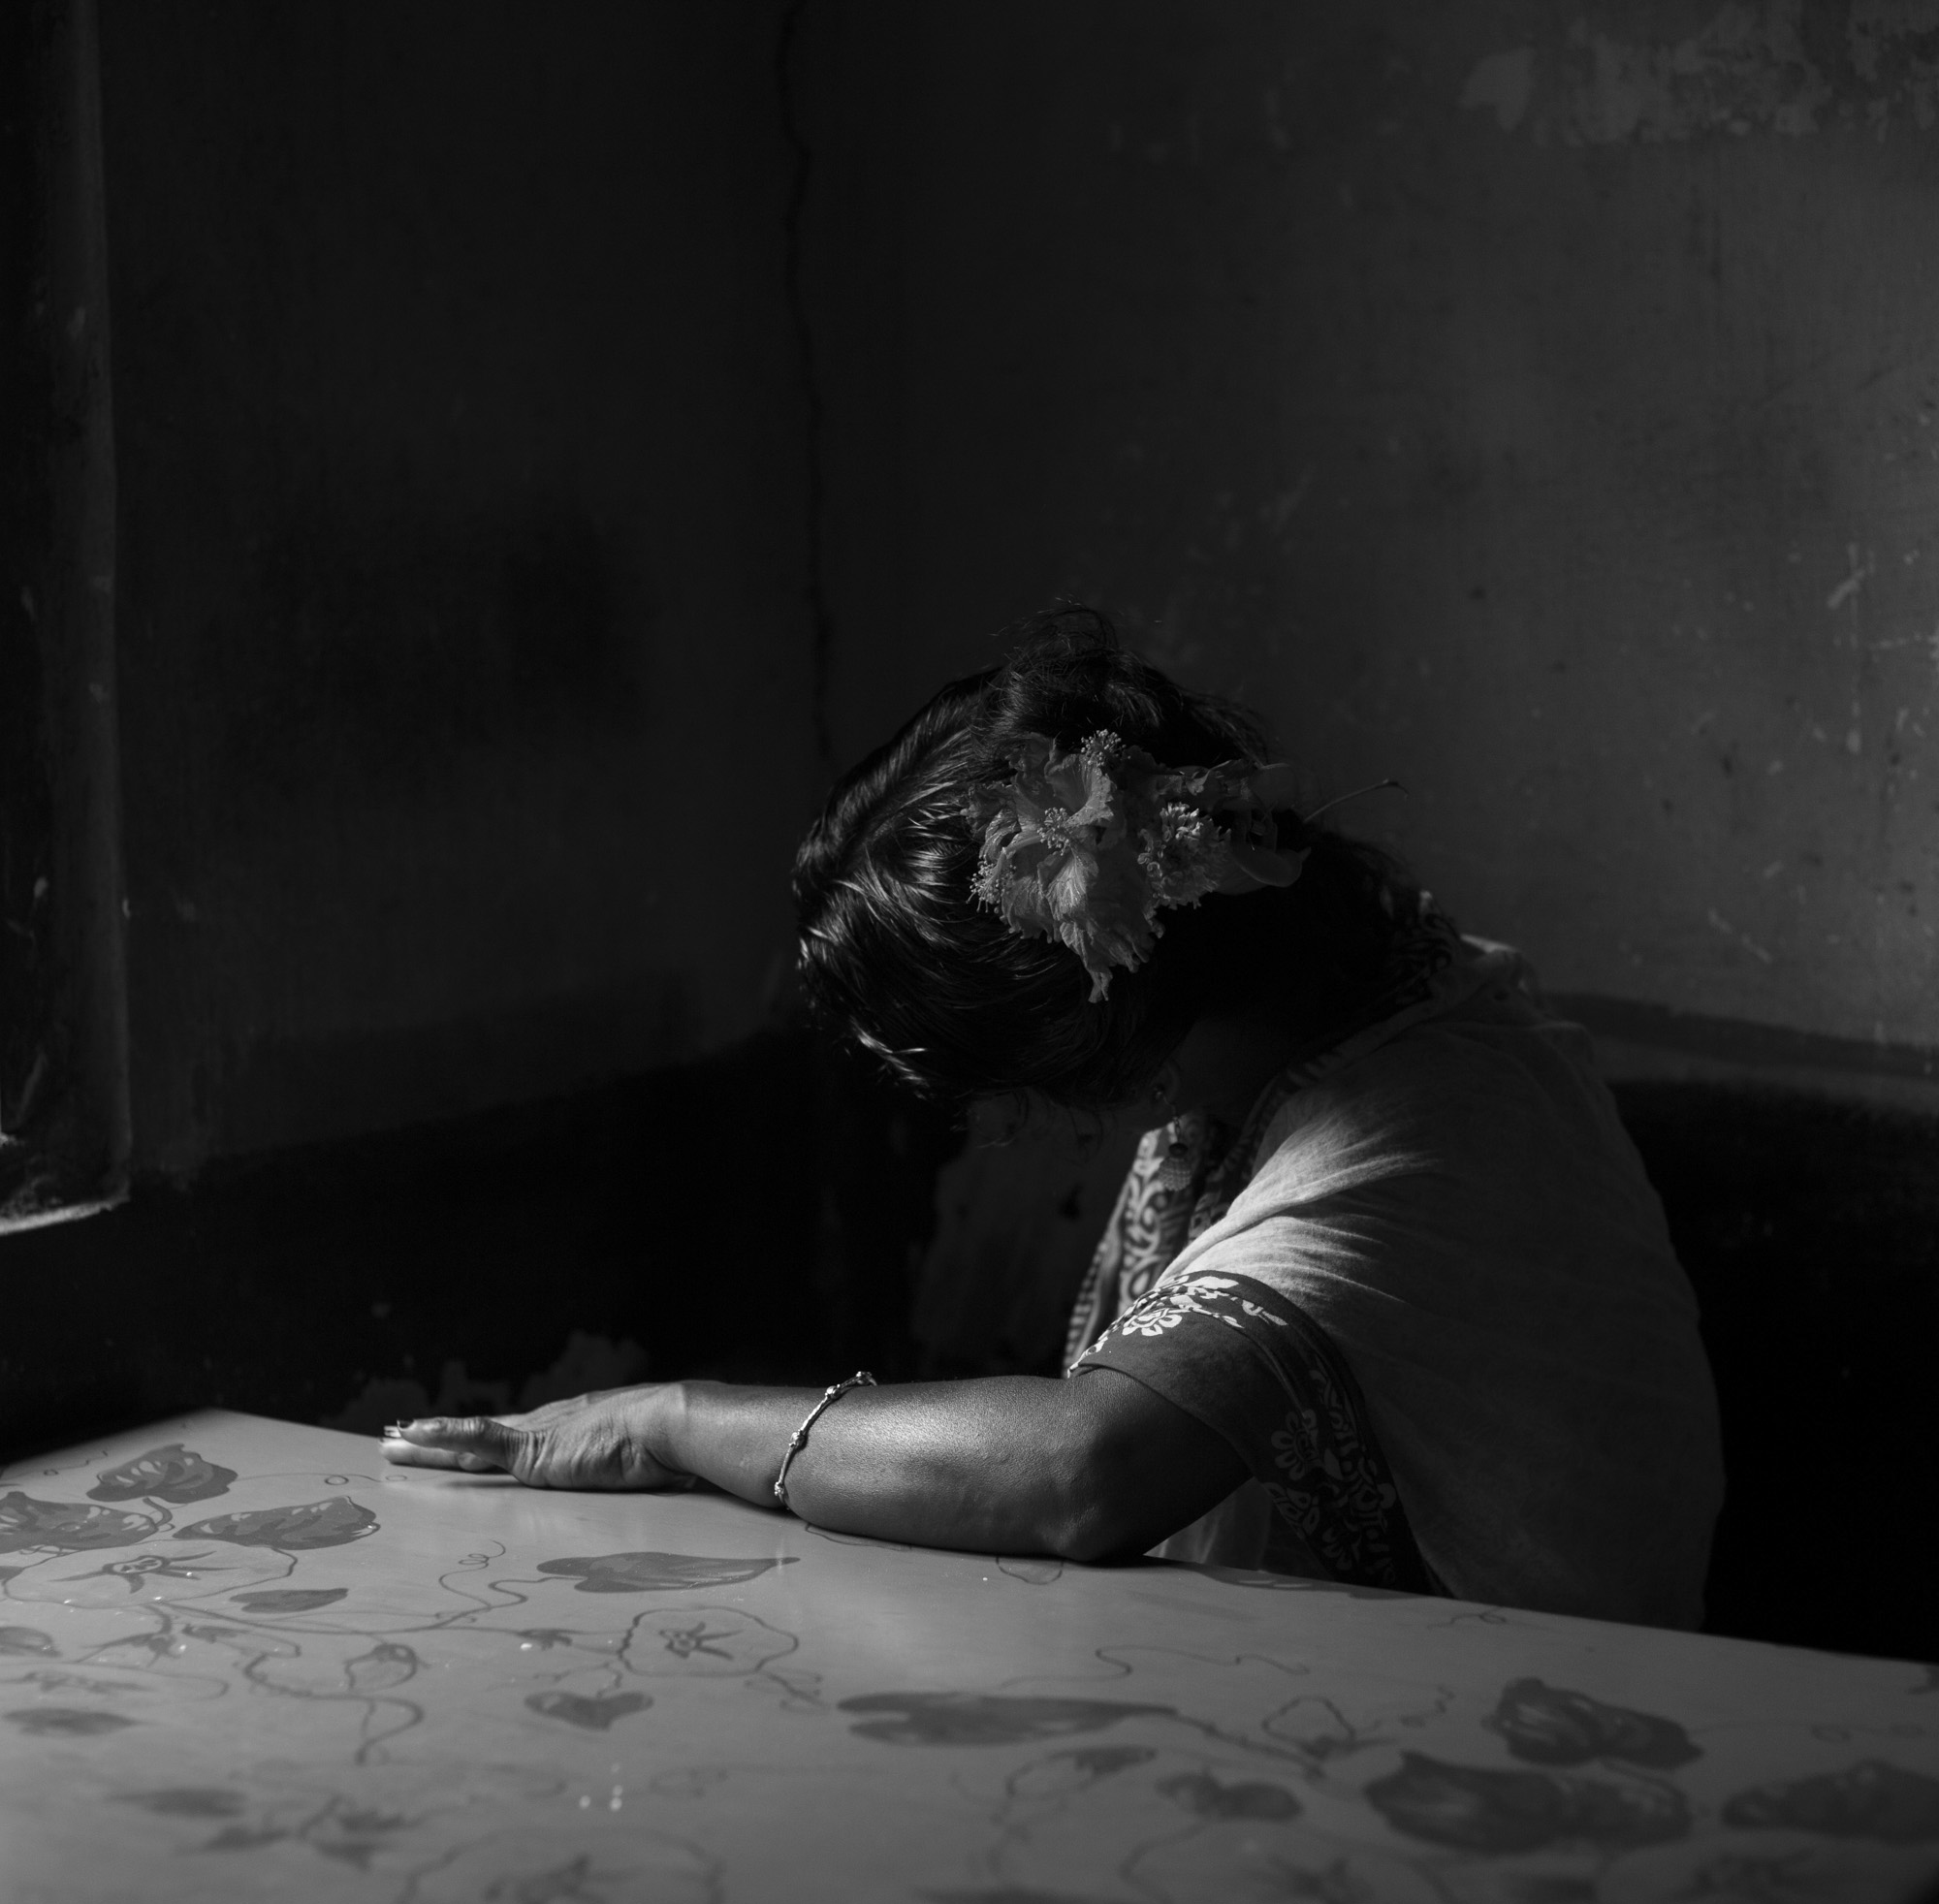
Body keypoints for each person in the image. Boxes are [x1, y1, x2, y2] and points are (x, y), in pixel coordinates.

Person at [382, 608, 1723, 1629]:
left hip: (1557, 1746)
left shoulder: (1408, 1134)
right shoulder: (1354, 982)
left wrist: (674, 1421)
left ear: (1118, 1064)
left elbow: (1086, 1471)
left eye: (1021, 1097)